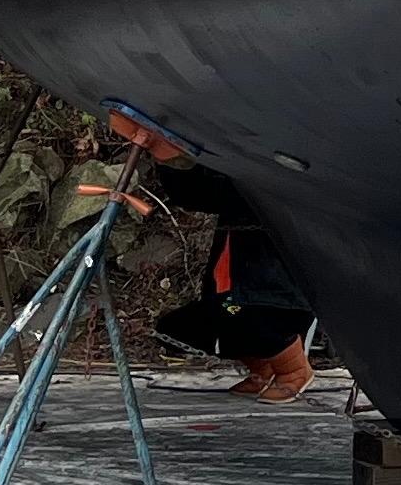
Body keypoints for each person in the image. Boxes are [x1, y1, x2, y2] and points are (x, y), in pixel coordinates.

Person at [113, 115, 317, 400]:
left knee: (248, 319)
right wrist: (170, 158)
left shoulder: (290, 163)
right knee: (176, 329)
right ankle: (263, 368)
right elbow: (199, 194)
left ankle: (294, 369)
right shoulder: (236, 169)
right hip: (232, 292)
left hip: (275, 296)